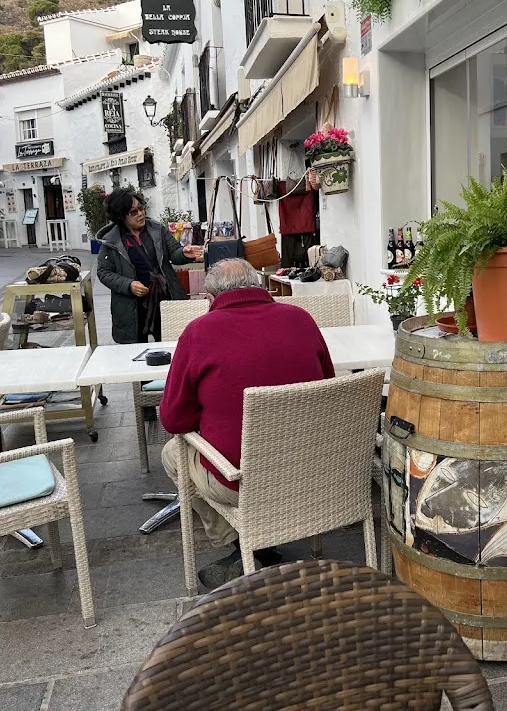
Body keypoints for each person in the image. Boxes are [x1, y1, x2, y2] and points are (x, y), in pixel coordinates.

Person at [159, 258, 336, 586]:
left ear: (211, 299)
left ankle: (243, 546)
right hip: (311, 472)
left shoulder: (198, 332)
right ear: (260, 286)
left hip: (241, 481)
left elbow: (174, 419)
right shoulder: (301, 319)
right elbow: (328, 386)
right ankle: (262, 541)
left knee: (173, 453)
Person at [96, 187, 202, 344]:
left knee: (172, 345)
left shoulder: (157, 229)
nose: (140, 213)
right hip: (131, 307)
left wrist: (184, 253)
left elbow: (174, 253)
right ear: (121, 216)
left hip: (165, 298)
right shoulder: (111, 241)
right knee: (134, 352)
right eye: (133, 212)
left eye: (141, 208)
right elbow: (104, 272)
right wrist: (129, 285)